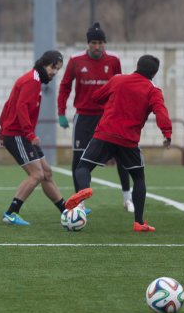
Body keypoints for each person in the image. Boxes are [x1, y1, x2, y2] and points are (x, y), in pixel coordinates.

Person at [65, 55, 172, 232]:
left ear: (137, 66)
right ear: (154, 73)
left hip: (104, 134)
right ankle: (138, 222)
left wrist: (111, 102)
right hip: (128, 140)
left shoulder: (118, 80)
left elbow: (97, 97)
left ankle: (84, 189)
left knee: (82, 167)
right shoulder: (153, 90)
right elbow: (161, 111)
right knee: (138, 178)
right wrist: (166, 133)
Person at [57, 22, 134, 213]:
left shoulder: (114, 61)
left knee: (121, 156)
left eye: (100, 42)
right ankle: (79, 201)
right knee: (79, 159)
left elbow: (120, 87)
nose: (97, 46)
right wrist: (61, 112)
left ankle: (127, 198)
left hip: (108, 117)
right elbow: (65, 86)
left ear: (104, 43)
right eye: (93, 42)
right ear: (88, 43)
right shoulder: (75, 61)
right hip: (84, 117)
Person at [0, 50, 67, 226]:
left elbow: (8, 105)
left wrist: (1, 130)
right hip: (17, 134)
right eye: (54, 68)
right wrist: (28, 133)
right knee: (36, 174)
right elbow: (21, 108)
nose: (54, 73)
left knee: (47, 173)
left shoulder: (33, 79)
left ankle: (66, 211)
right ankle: (11, 213)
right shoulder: (32, 81)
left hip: (21, 134)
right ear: (45, 64)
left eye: (58, 69)